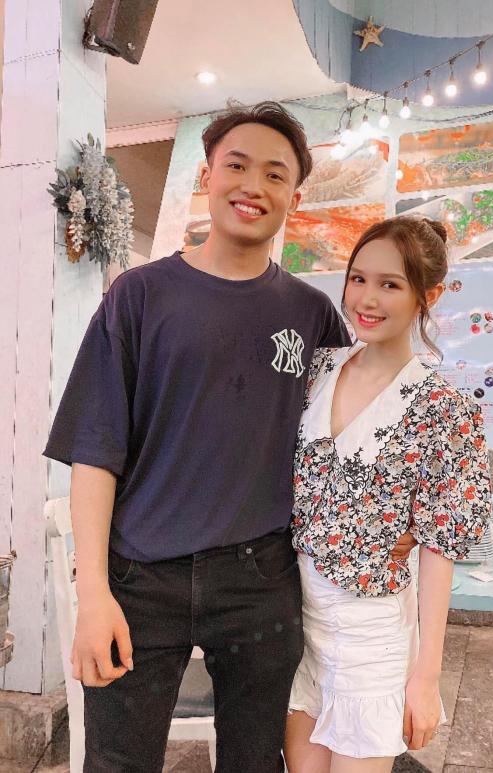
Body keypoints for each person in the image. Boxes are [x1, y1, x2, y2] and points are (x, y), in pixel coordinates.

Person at [43, 101, 416, 773]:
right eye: (236, 166)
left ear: (294, 198)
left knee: (255, 761)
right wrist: (93, 592)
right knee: (117, 762)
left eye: (275, 175)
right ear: (207, 176)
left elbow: (351, 437)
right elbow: (95, 452)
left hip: (260, 579)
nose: (253, 186)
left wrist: (399, 519)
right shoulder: (139, 296)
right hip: (139, 577)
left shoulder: (311, 314)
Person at [284, 216, 491, 773]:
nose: (367, 299)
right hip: (296, 625)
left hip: (371, 635)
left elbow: (441, 545)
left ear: (428, 296)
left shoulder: (444, 409)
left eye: (390, 284)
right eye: (358, 279)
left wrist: (425, 676)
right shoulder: (316, 371)